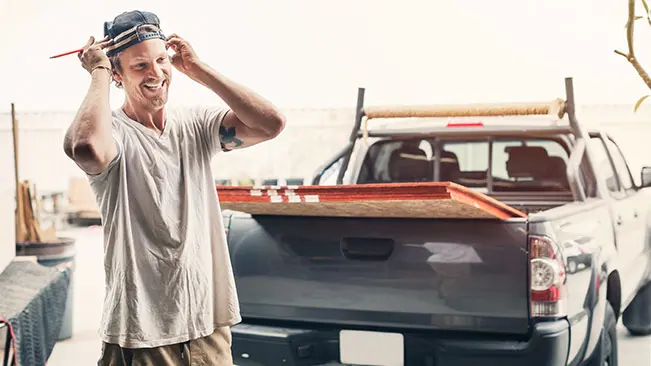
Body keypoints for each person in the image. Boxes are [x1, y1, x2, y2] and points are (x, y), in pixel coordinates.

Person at [62, 10, 286, 366]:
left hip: (206, 323)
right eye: (139, 66)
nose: (156, 74)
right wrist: (99, 72)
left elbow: (271, 123)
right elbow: (86, 148)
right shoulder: (114, 133)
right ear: (117, 74)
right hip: (145, 330)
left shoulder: (196, 125)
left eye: (162, 60)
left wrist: (198, 69)